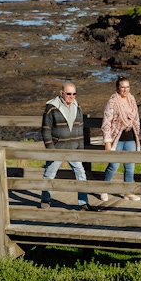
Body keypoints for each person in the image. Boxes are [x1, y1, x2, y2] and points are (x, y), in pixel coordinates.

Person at [40, 82, 98, 211]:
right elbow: (45, 130)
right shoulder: (51, 108)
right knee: (49, 174)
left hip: (73, 148)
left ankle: (83, 203)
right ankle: (45, 200)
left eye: (74, 94)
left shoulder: (77, 107)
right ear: (62, 93)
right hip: (57, 148)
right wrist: (51, 150)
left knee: (81, 173)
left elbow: (80, 129)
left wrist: (80, 149)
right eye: (69, 94)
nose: (72, 96)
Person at [100, 75, 141, 202]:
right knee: (113, 165)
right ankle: (104, 189)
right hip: (116, 139)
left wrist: (139, 136)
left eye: (127, 87)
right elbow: (106, 122)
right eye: (122, 87)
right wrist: (107, 141)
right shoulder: (112, 101)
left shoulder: (132, 99)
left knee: (130, 166)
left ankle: (127, 192)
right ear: (117, 88)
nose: (125, 90)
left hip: (130, 137)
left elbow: (136, 119)